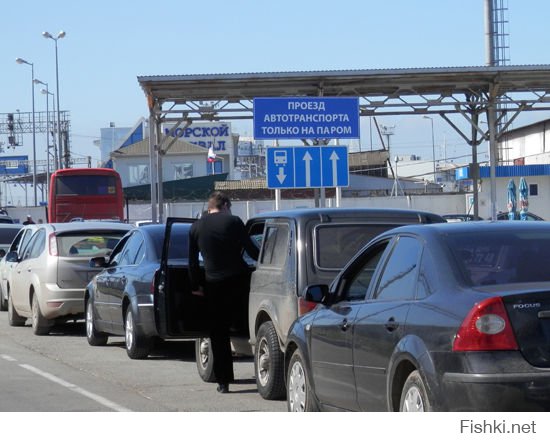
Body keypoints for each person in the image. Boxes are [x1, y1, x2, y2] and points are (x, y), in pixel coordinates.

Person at [188, 191, 259, 394]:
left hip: (213, 284)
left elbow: (192, 262)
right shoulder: (234, 222)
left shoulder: (196, 227)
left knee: (218, 334)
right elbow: (251, 250)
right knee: (249, 324)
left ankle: (224, 381)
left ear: (210, 207)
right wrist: (265, 259)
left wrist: (196, 286)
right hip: (239, 281)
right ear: (225, 205)